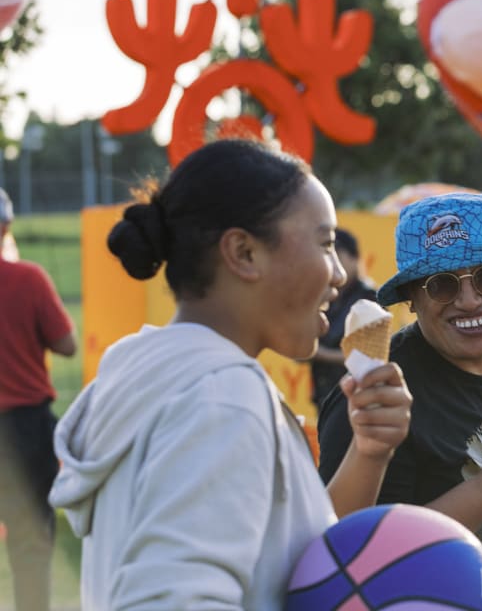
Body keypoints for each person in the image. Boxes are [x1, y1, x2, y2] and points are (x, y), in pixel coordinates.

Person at [47, 139, 412, 609]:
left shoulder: (161, 372)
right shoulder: (221, 398)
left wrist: (369, 452)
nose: (339, 274)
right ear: (243, 253)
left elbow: (304, 567)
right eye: (324, 243)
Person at [317, 193, 482, 611]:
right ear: (412, 298)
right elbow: (354, 565)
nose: (469, 300)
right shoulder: (376, 394)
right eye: (442, 284)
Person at [0, 187, 77, 611]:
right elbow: (66, 344)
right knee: (30, 543)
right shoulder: (28, 279)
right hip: (25, 427)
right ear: (7, 226)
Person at [310, 228, 377, 413]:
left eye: (338, 254)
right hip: (324, 396)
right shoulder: (328, 296)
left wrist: (320, 353)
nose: (333, 264)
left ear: (355, 258)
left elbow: (371, 355)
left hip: (357, 398)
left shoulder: (368, 299)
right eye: (327, 255)